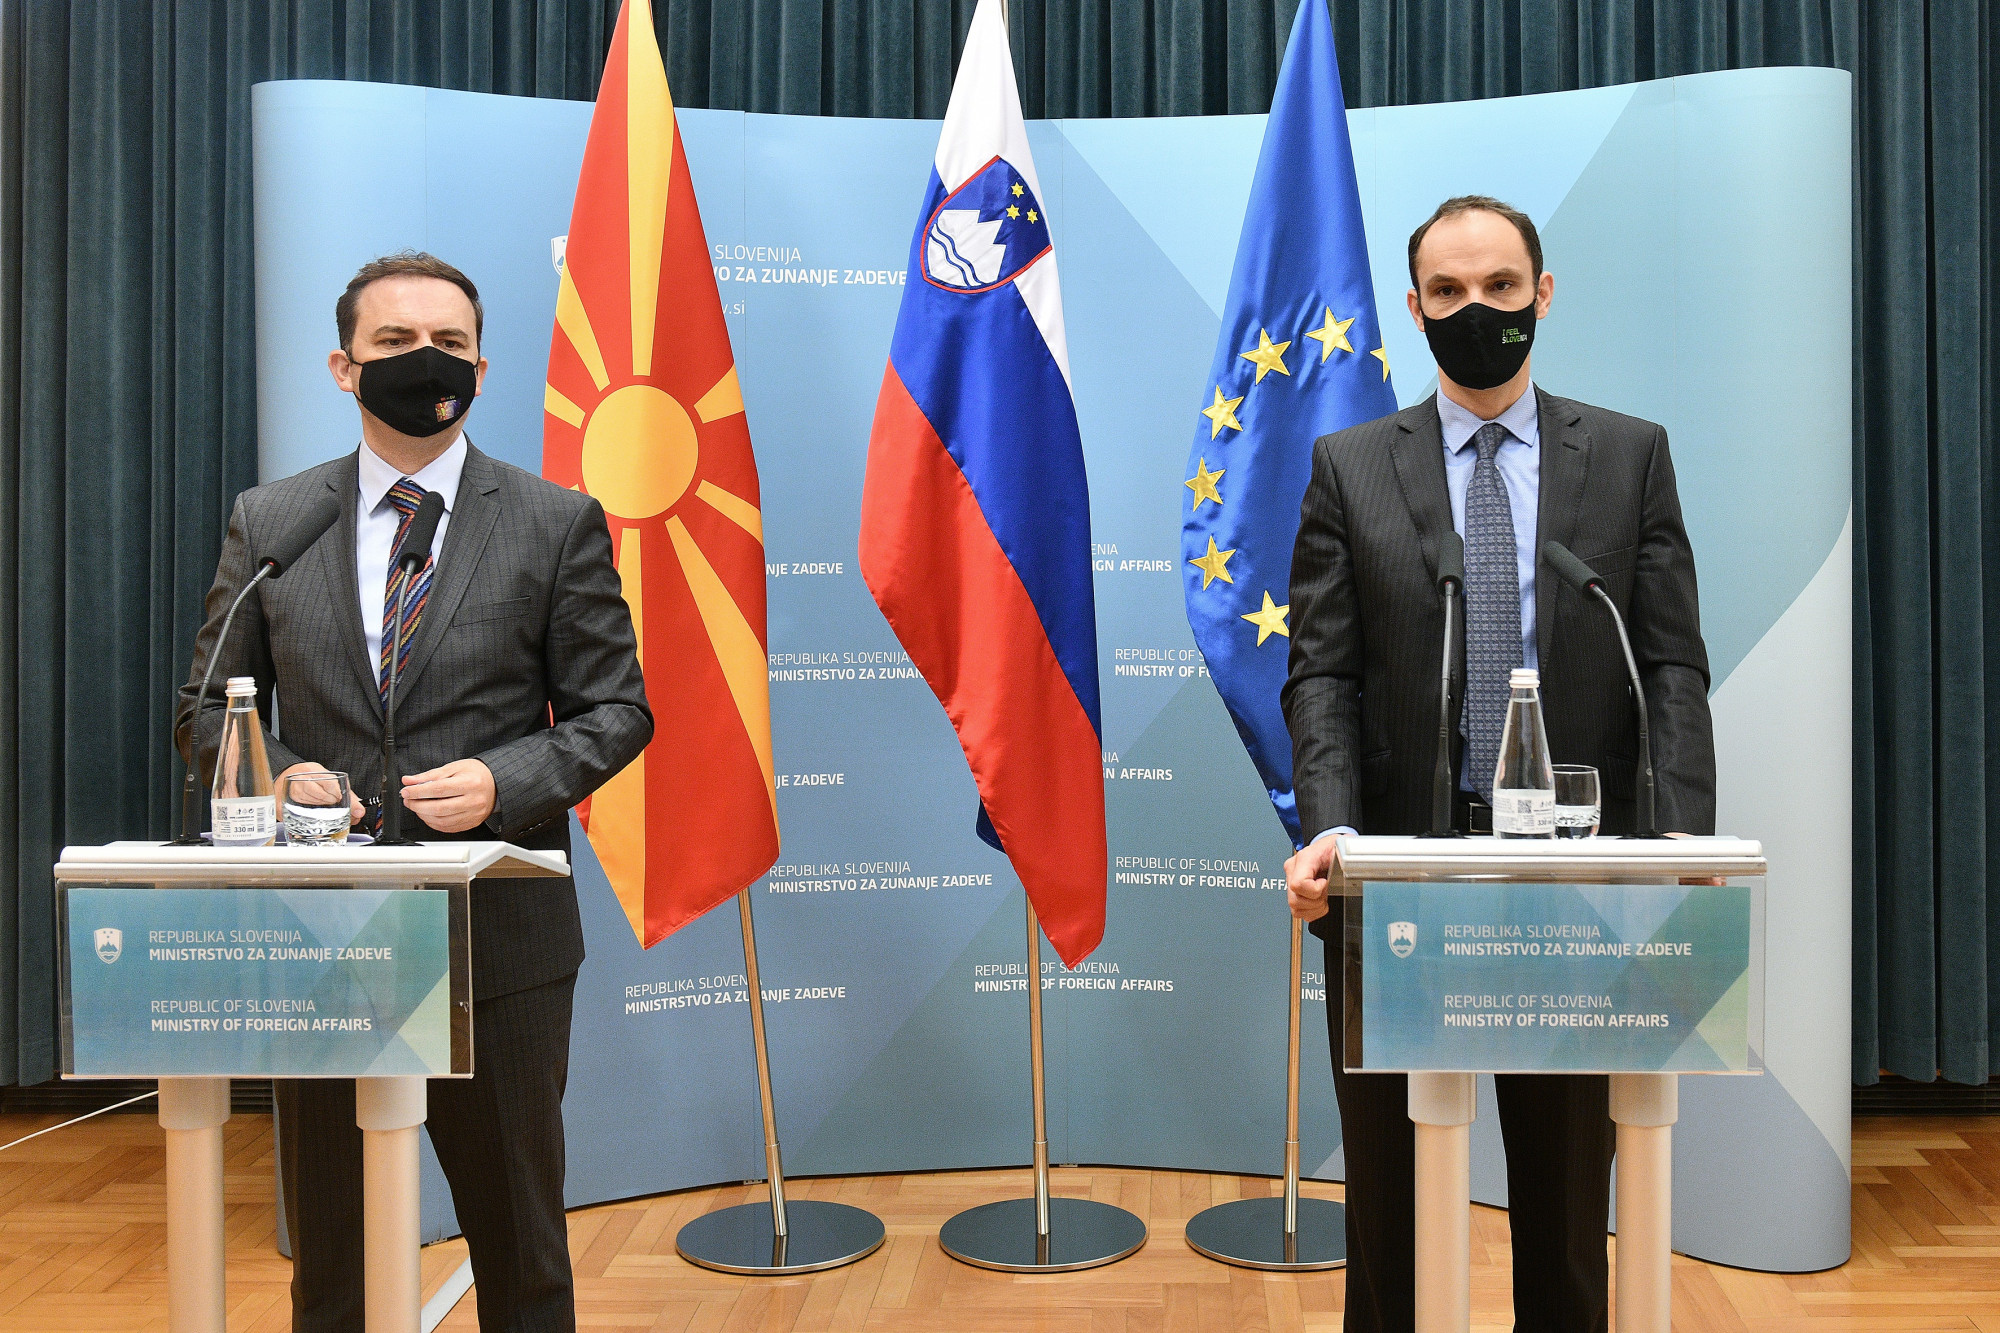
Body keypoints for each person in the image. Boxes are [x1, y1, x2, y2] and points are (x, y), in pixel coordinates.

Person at [175, 251, 652, 1331]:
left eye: (448, 342)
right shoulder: (272, 521)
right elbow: (204, 709)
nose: (424, 360)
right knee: (333, 1258)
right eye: (394, 342)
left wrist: (502, 778)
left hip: (500, 940)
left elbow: (616, 710)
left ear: (481, 366)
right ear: (343, 367)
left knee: (521, 1250)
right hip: (324, 934)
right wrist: (277, 772)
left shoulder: (553, 520)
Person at [1280, 196, 1715, 1332]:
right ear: (1415, 306)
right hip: (1394, 882)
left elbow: (1669, 662)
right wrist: (1329, 829)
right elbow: (1321, 674)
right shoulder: (1348, 466)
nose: (1477, 309)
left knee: (1567, 1213)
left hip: (1576, 879)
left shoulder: (1627, 456)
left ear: (1542, 294)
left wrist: (1675, 842)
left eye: (1500, 287)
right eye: (1449, 291)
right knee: (1388, 1214)